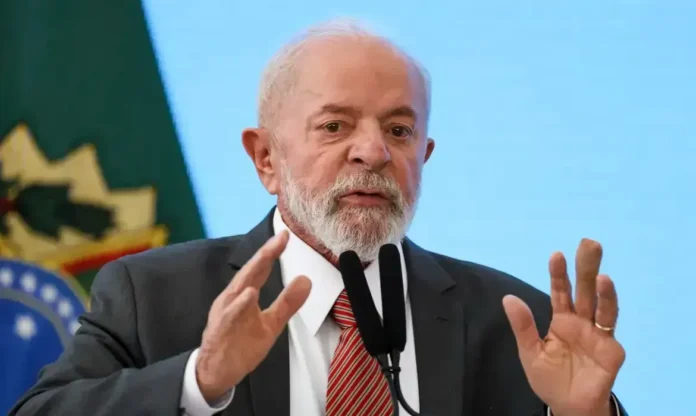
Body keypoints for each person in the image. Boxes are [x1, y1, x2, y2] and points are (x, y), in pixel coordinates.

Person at [10, 19, 628, 416]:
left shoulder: (514, 322)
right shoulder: (154, 296)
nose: (373, 152)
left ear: (425, 156)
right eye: (335, 126)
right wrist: (199, 380)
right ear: (266, 158)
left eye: (400, 130)